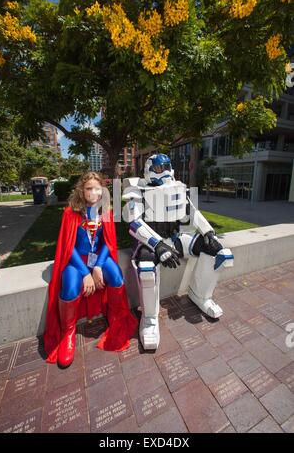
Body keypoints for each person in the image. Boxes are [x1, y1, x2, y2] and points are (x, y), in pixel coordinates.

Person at [122, 154, 234, 350]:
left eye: (167, 167)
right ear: (149, 169)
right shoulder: (138, 191)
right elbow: (134, 223)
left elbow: (191, 212)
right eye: (159, 168)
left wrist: (207, 231)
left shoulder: (178, 188)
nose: (164, 171)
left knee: (215, 249)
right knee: (147, 267)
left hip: (175, 238)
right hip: (150, 243)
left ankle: (201, 295)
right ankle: (149, 319)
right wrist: (158, 245)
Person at [44, 172, 138, 368]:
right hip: (76, 260)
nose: (93, 192)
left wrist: (97, 266)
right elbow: (67, 246)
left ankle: (115, 316)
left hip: (98, 259)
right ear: (81, 190)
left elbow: (108, 243)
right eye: (89, 188)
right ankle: (67, 333)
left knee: (117, 277)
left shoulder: (105, 212)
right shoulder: (70, 213)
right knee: (69, 287)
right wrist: (85, 273)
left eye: (97, 188)